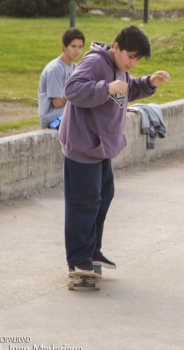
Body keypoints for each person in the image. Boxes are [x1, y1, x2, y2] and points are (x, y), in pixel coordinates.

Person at [59, 26, 170, 278]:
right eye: (130, 56)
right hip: (83, 145)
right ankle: (78, 259)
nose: (133, 62)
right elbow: (72, 90)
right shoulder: (96, 62)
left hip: (101, 147)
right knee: (83, 202)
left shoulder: (119, 66)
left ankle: (92, 250)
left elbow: (126, 90)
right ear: (116, 47)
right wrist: (105, 88)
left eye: (137, 59)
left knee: (103, 196)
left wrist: (150, 82)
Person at [38, 28, 86, 129]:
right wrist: (78, 95)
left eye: (80, 47)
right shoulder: (55, 69)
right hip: (54, 119)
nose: (77, 51)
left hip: (67, 114)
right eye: (73, 46)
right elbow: (57, 102)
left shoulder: (75, 67)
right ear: (64, 47)